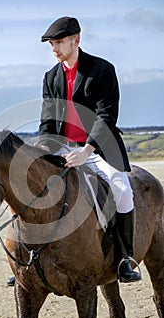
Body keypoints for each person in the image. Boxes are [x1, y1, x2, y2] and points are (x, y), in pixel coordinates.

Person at [37, 16, 141, 283]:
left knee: (123, 192)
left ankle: (126, 259)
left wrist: (86, 151)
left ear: (76, 40)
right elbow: (48, 122)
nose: (54, 48)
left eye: (59, 42)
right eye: (51, 44)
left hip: (101, 149)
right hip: (63, 150)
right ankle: (32, 261)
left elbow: (107, 117)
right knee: (34, 187)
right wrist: (42, 149)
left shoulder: (102, 70)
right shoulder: (51, 77)